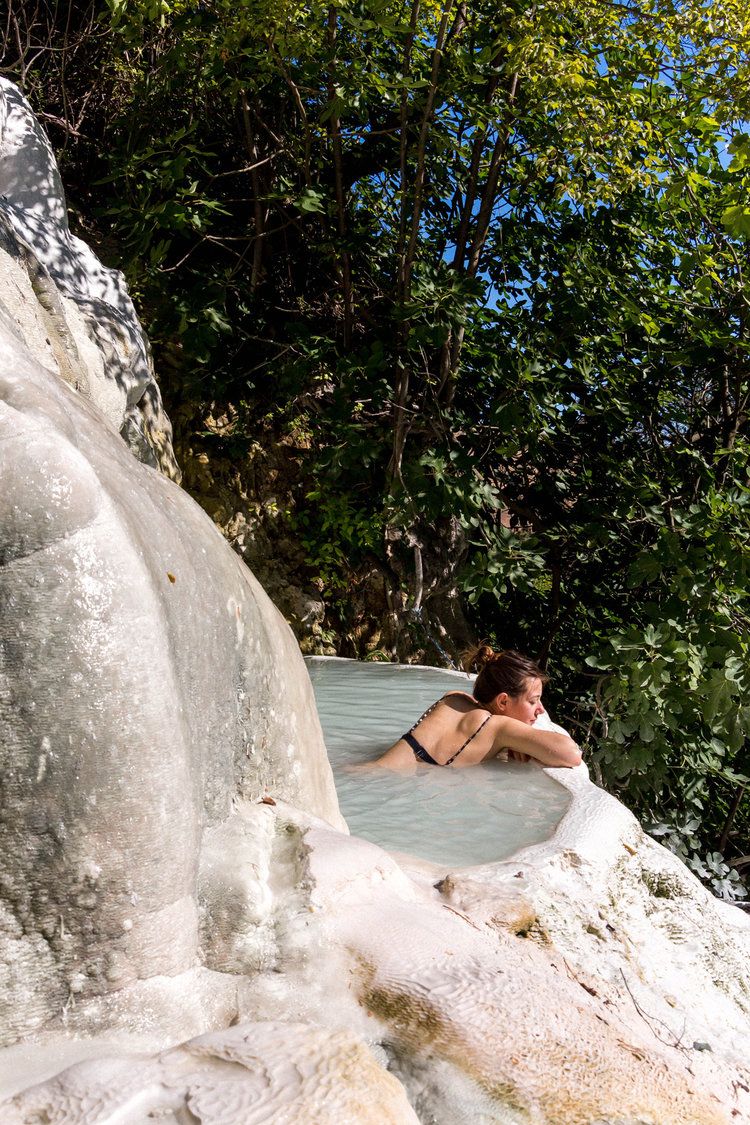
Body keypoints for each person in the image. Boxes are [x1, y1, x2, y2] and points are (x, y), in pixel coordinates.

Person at [371, 644, 581, 771]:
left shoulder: (453, 697)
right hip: (390, 787)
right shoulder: (498, 727)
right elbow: (571, 754)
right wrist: (518, 739)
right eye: (533, 701)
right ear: (503, 702)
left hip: (370, 771)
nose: (541, 710)